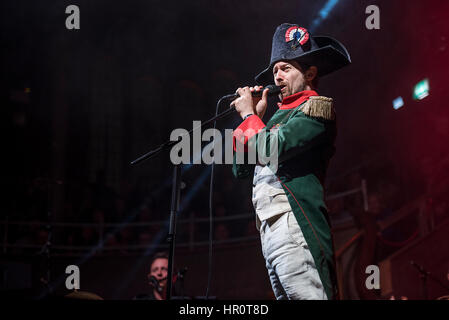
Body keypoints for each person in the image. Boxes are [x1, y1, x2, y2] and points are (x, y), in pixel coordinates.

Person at [231, 23, 351, 300]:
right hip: (269, 230)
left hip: (294, 223)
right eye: (275, 71)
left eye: (286, 68)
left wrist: (251, 118)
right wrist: (255, 118)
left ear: (309, 73)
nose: (277, 76)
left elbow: (274, 147)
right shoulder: (274, 119)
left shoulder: (317, 107)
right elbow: (241, 169)